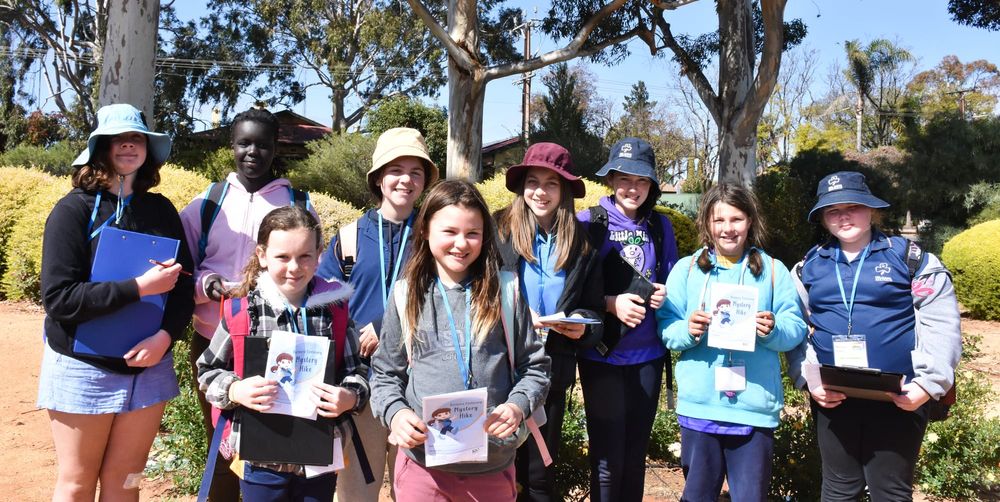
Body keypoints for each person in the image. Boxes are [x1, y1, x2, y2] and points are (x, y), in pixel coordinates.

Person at [37, 103, 195, 500]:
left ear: (148, 149)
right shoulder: (71, 211)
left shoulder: (160, 209)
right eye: (118, 139)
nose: (128, 145)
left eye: (137, 138)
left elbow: (182, 287)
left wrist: (165, 338)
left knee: (128, 478)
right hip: (82, 367)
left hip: (148, 367)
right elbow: (59, 299)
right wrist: (139, 287)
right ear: (101, 148)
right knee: (76, 482)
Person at [369, 180, 551, 502]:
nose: (461, 244)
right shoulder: (406, 294)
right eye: (449, 232)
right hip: (422, 470)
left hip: (492, 468)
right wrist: (395, 413)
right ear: (425, 230)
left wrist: (517, 406)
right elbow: (385, 373)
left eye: (472, 233)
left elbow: (535, 367)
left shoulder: (505, 291)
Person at [787, 171, 961, 501]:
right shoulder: (809, 265)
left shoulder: (910, 259)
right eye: (833, 210)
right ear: (823, 218)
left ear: (871, 209)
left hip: (900, 398)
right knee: (838, 491)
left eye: (853, 206)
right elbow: (793, 327)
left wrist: (927, 385)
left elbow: (942, 323)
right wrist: (807, 379)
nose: (843, 216)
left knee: (891, 492)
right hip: (834, 397)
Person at [180, 107, 317, 501]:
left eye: (262, 144)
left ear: (276, 148)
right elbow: (180, 269)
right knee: (222, 439)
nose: (252, 152)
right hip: (212, 340)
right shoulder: (207, 203)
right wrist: (208, 285)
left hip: (279, 343)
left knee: (271, 440)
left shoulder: (298, 202)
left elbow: (314, 271)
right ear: (232, 146)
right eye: (244, 143)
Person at [197, 206, 368, 501]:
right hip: (260, 458)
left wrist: (349, 397)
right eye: (282, 257)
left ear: (319, 255)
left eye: (304, 256)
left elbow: (358, 372)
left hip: (320, 456)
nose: (294, 267)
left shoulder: (335, 312)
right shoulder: (242, 312)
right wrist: (236, 389)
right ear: (263, 256)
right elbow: (206, 371)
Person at [656, 184, 807, 501]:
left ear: (750, 221)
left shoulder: (773, 271)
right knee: (697, 496)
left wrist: (773, 329)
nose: (727, 229)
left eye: (736, 219)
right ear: (706, 224)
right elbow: (667, 328)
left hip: (753, 409)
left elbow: (795, 327)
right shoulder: (686, 270)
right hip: (701, 407)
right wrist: (688, 328)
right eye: (718, 220)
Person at [316, 127, 439, 501]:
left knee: (419, 491)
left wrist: (388, 328)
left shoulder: (435, 236)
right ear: (378, 177)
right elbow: (322, 304)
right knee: (356, 493)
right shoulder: (350, 237)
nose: (405, 179)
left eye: (416, 172)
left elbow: (446, 299)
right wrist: (356, 335)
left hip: (419, 386)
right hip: (362, 386)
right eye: (395, 169)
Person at [494, 142, 604, 502]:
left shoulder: (582, 244)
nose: (541, 191)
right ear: (522, 185)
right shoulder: (497, 232)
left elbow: (592, 309)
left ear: (565, 191)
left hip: (551, 370)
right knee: (496, 470)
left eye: (552, 183)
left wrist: (583, 326)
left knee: (539, 476)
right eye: (533, 181)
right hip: (499, 369)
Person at [575, 137, 679, 502]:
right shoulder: (588, 222)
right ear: (611, 179)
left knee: (636, 457)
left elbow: (670, 282)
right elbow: (569, 292)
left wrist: (667, 294)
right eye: (624, 178)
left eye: (641, 180)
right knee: (606, 459)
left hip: (648, 357)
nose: (632, 188)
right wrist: (609, 303)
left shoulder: (661, 228)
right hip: (601, 356)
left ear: (651, 185)